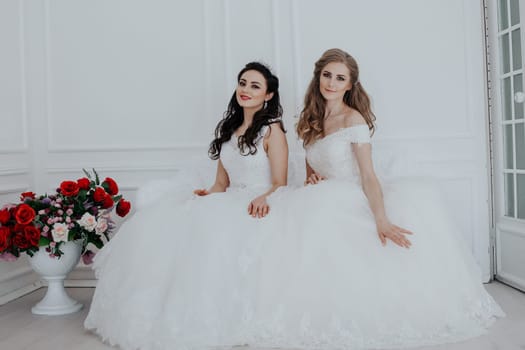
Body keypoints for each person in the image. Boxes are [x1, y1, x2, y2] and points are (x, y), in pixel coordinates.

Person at [246, 48, 505, 349]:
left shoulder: (353, 119)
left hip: (353, 194)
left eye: (340, 78)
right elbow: (310, 170)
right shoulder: (310, 118)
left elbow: (368, 176)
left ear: (350, 85)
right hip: (323, 197)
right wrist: (312, 178)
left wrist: (381, 219)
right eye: (327, 75)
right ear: (318, 76)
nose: (331, 83)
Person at [84, 62, 289, 349]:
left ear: (268, 95)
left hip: (259, 201)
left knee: (217, 240)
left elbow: (280, 181)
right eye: (242, 82)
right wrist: (207, 194)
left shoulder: (272, 130)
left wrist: (265, 196)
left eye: (255, 86)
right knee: (177, 222)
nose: (245, 90)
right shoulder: (230, 130)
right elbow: (221, 184)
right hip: (230, 199)